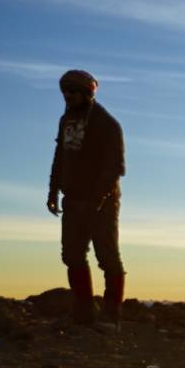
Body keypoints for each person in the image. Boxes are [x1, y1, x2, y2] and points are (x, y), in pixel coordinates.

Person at [47, 70, 125, 327]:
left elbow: (116, 167)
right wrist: (52, 190)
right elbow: (60, 156)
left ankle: (112, 314)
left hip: (102, 201)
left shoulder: (107, 124)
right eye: (64, 92)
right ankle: (83, 311)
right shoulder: (65, 120)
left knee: (107, 256)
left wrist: (98, 198)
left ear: (87, 92)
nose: (67, 96)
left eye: (73, 91)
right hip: (72, 199)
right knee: (71, 254)